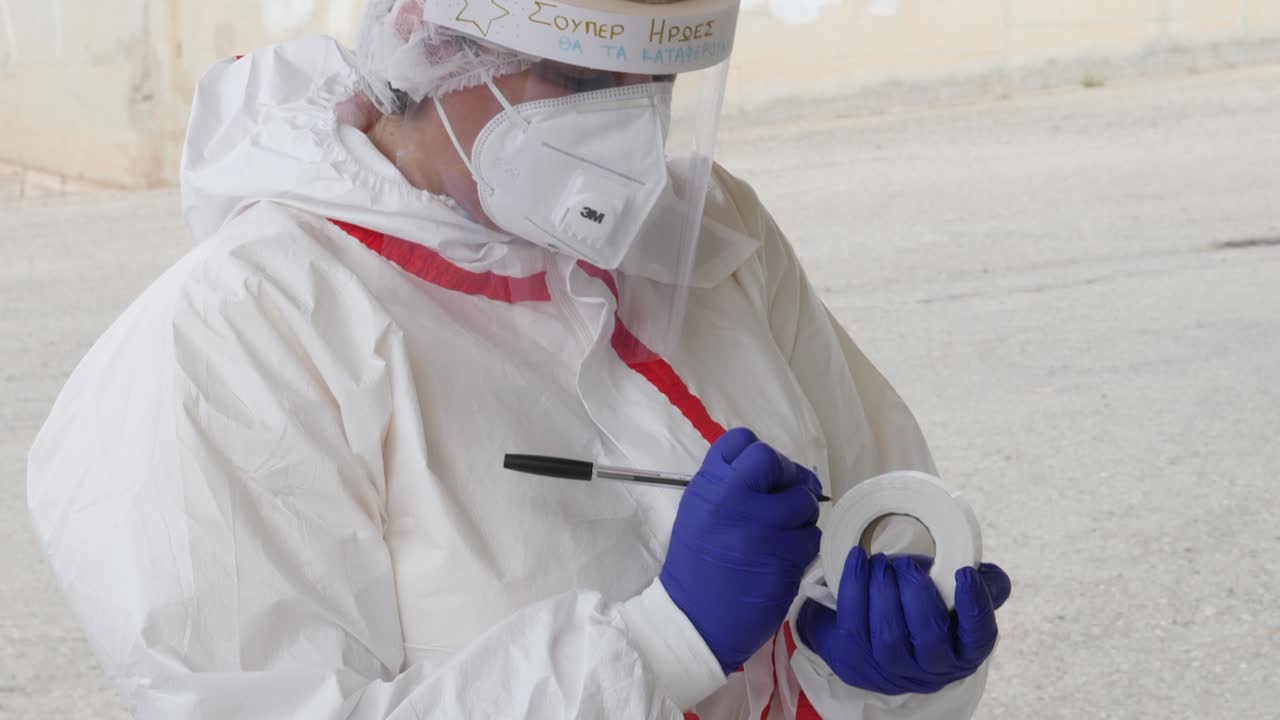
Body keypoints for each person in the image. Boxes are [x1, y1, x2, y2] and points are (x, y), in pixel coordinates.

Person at [27, 0, 1011, 717]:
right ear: (424, 39)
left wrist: (871, 676)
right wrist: (661, 645)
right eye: (580, 81)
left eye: (656, 83)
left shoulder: (712, 231)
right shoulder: (237, 338)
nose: (629, 133)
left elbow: (881, 506)